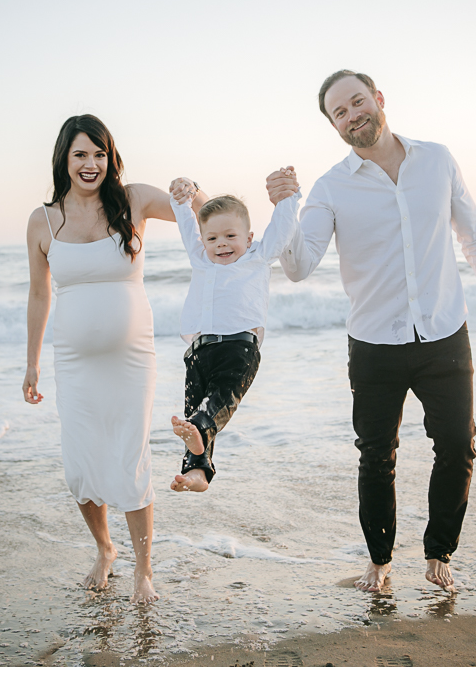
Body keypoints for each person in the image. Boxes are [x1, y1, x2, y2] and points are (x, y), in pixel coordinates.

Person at [266, 71, 476, 593]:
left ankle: (439, 553)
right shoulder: (331, 187)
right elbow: (297, 266)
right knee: (377, 456)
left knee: (458, 445)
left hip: (445, 332)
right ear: (334, 126)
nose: (353, 114)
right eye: (340, 112)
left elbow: (475, 233)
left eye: (358, 101)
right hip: (375, 344)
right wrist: (284, 209)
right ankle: (379, 563)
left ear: (378, 99)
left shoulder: (437, 159)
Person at [23, 114, 207, 603]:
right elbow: (39, 295)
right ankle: (106, 549)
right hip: (74, 361)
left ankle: (143, 571)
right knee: (79, 465)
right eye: (80, 154)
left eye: (99, 154)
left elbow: (203, 215)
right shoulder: (42, 221)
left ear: (111, 158)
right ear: (65, 158)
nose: (91, 164)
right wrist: (31, 363)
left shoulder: (134, 200)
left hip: (132, 357)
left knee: (130, 455)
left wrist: (193, 189)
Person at [168, 174, 300, 492]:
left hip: (239, 348)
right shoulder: (200, 258)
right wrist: (179, 197)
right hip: (199, 352)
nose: (221, 244)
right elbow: (186, 225)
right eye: (212, 239)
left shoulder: (258, 257)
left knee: (216, 403)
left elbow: (282, 227)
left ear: (249, 237)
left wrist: (289, 197)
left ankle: (200, 434)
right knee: (193, 416)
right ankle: (197, 472)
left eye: (230, 236)